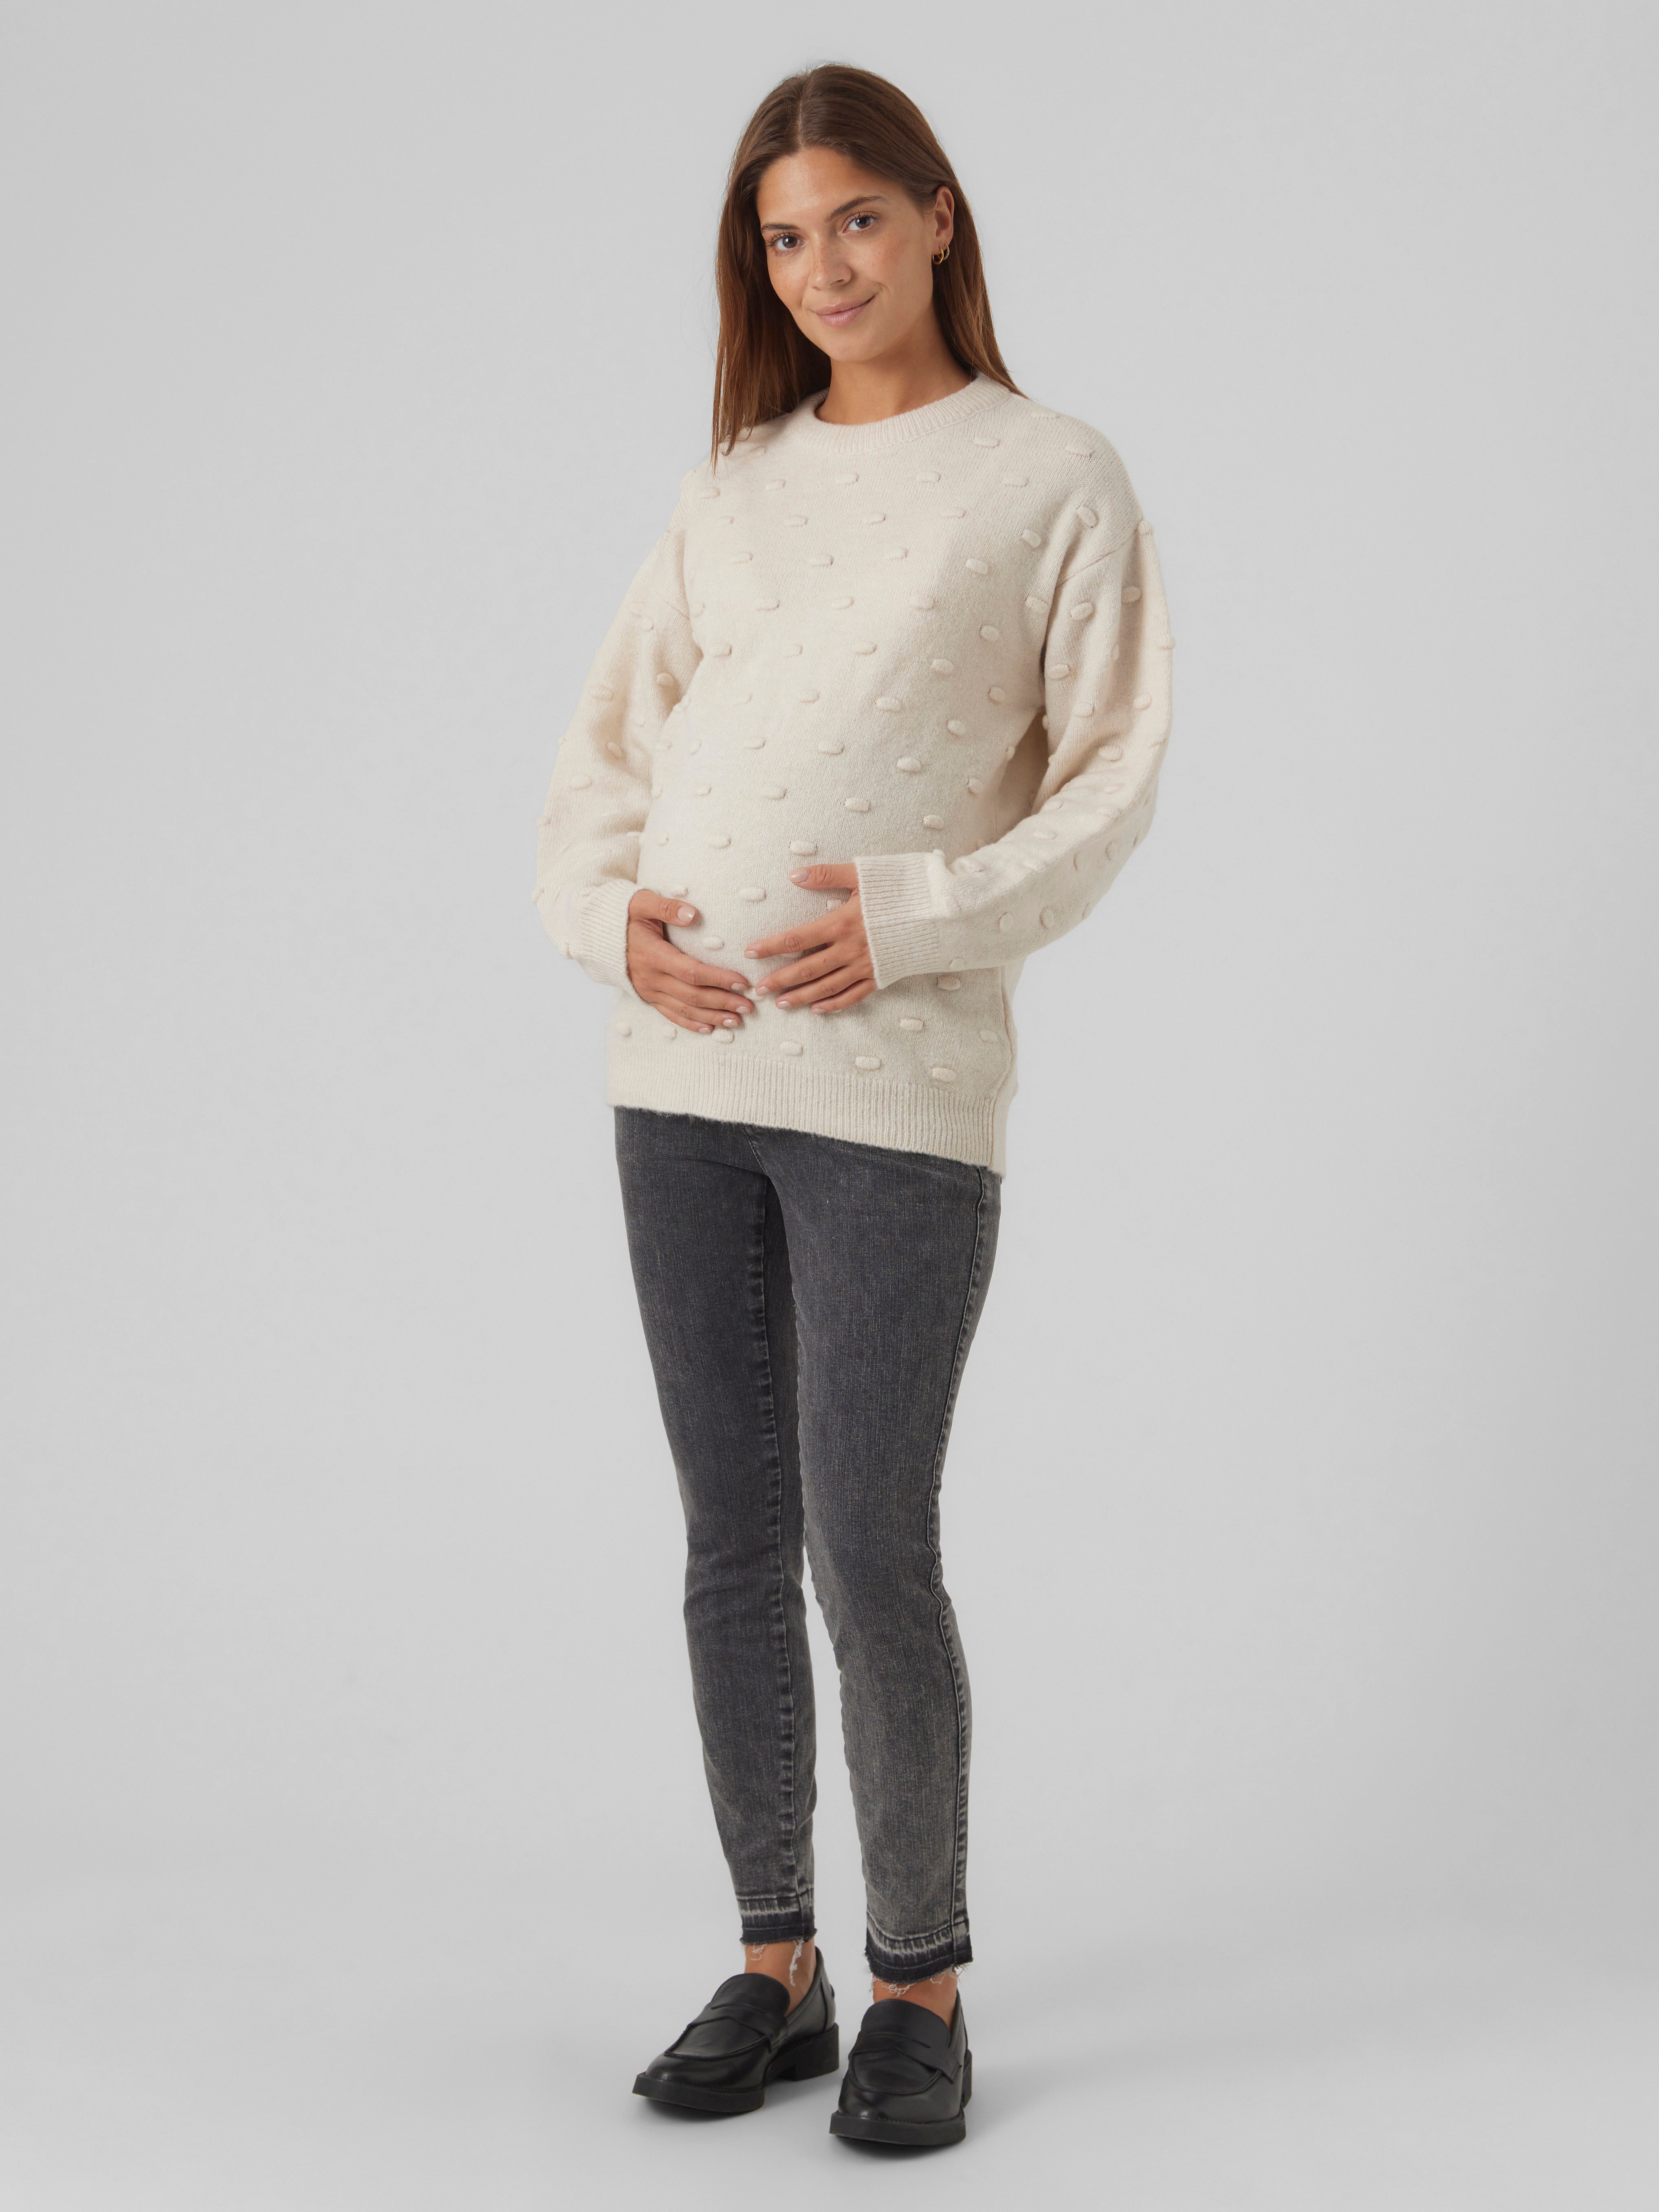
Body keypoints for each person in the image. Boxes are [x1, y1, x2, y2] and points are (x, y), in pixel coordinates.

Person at [532, 62, 1173, 2150]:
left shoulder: (1051, 476)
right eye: (784, 238)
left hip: (893, 1091)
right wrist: (611, 923)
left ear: (939, 215)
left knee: (868, 1541)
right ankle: (776, 1957)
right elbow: (605, 760)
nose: (823, 267)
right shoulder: (731, 483)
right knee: (731, 1540)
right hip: (680, 1079)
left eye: (857, 221)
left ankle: (921, 1979)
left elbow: (1108, 784)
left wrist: (907, 920)